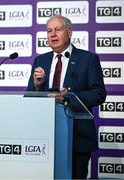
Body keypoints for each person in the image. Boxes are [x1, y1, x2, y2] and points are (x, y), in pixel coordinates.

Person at [27, 15, 107, 179]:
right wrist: (36, 86)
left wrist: (69, 97)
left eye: (58, 29)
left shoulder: (88, 59)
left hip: (77, 137)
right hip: (45, 139)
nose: (52, 34)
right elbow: (29, 97)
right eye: (49, 31)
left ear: (69, 32)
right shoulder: (40, 60)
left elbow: (99, 94)